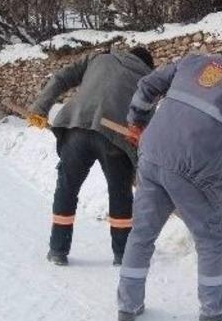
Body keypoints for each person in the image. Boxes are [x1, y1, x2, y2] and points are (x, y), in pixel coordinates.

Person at [116, 31, 222, 321]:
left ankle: (128, 303)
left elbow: (148, 85)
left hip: (152, 155)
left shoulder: (193, 61)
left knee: (142, 233)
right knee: (210, 237)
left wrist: (137, 120)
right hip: (194, 169)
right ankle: (215, 306)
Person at [27, 46, 154, 267]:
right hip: (115, 138)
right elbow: (144, 123)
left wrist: (40, 107)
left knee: (67, 188)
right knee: (120, 194)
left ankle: (58, 250)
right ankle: (123, 254)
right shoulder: (148, 79)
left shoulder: (99, 57)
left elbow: (61, 78)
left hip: (77, 126)